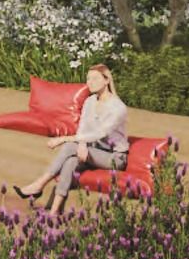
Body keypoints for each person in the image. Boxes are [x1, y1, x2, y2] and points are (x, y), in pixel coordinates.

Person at [13, 63, 129, 211]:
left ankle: (39, 184)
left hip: (114, 157)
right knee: (70, 161)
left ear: (107, 80)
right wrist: (81, 144)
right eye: (88, 79)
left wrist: (64, 139)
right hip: (91, 150)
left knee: (69, 146)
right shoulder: (89, 101)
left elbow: (100, 133)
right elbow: (83, 128)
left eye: (94, 78)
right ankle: (54, 212)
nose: (90, 82)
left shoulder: (118, 107)